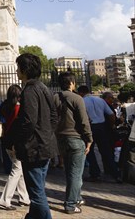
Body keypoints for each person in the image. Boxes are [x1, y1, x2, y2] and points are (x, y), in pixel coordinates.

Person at [8, 53, 57, 219]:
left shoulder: (29, 91)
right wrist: (47, 134)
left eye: (18, 67)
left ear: (24, 69)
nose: (16, 70)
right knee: (38, 190)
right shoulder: (45, 88)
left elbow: (28, 121)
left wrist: (18, 142)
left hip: (34, 148)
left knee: (36, 195)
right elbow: (54, 117)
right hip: (46, 146)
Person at [54, 72, 92, 214]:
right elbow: (84, 121)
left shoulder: (55, 98)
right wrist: (89, 139)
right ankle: (70, 204)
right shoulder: (77, 98)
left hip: (61, 138)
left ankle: (76, 197)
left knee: (70, 171)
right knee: (76, 173)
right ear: (71, 83)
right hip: (75, 138)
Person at [0, 84, 30, 210]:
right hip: (15, 143)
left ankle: (24, 198)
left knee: (19, 169)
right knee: (16, 171)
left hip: (6, 141)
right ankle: (5, 200)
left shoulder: (4, 105)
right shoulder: (18, 108)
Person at [79, 86, 119, 182]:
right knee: (106, 151)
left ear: (81, 93)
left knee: (89, 151)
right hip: (101, 127)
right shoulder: (100, 100)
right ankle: (116, 174)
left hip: (90, 127)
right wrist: (112, 125)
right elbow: (111, 114)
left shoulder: (82, 101)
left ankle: (95, 173)